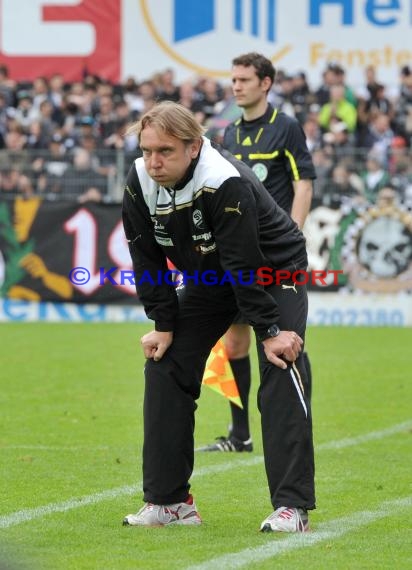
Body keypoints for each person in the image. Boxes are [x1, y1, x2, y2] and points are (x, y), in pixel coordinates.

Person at [122, 101, 315, 532]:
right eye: (147, 149)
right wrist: (164, 325)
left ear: (193, 148)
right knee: (165, 365)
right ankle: (170, 502)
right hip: (213, 274)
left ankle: (292, 507)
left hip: (270, 269)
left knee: (282, 363)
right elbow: (145, 255)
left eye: (165, 151)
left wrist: (269, 330)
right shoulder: (138, 178)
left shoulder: (223, 180)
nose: (153, 161)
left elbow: (244, 264)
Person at [200, 52, 315, 453]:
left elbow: (303, 184)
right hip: (238, 256)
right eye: (233, 79)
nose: (236, 86)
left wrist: (292, 235)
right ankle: (240, 434)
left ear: (265, 83)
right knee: (234, 346)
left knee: (280, 345)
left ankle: (283, 438)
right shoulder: (228, 134)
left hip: (276, 257)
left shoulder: (286, 128)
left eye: (245, 80)